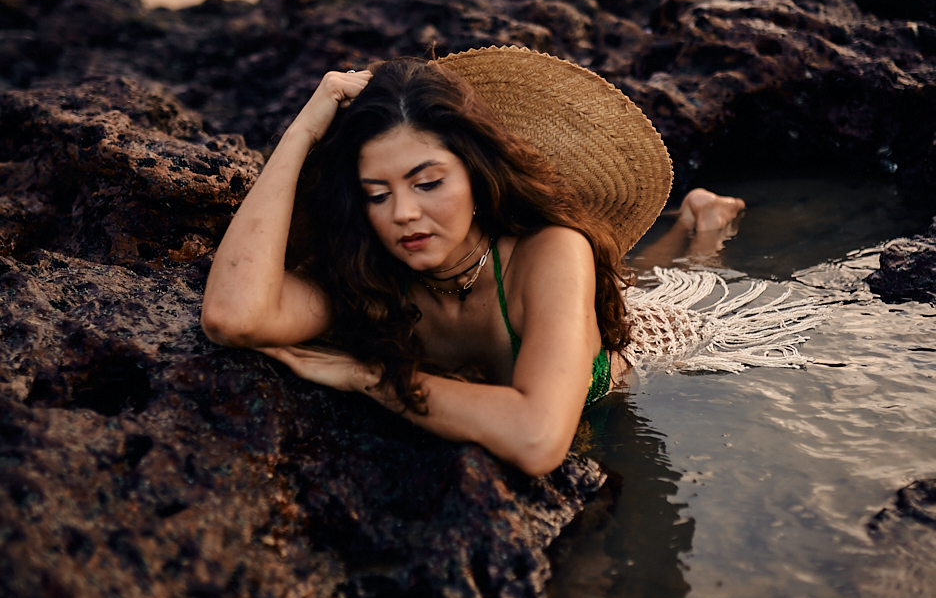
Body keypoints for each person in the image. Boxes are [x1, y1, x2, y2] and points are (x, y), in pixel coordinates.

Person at [201, 48, 747, 477]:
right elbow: (233, 317)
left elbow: (537, 441)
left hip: (666, 345)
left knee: (672, 283)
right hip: (564, 315)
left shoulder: (553, 248)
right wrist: (302, 133)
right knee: (629, 280)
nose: (405, 214)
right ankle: (694, 223)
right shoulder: (369, 275)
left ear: (475, 173)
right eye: (376, 193)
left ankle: (705, 227)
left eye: (429, 182)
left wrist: (369, 376)